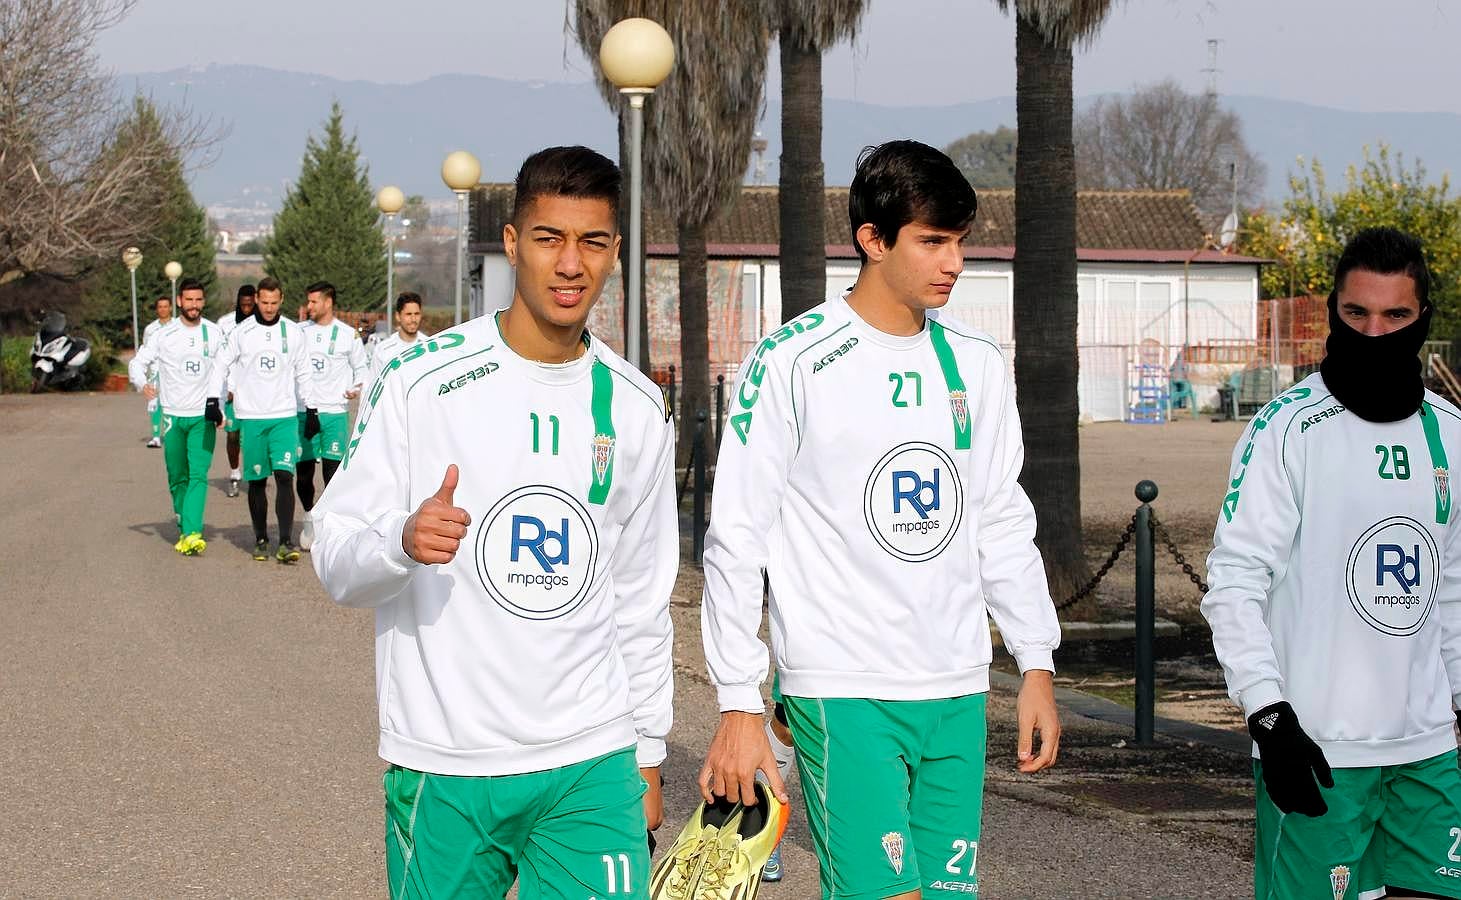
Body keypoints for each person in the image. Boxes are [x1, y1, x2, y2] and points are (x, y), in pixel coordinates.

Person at [697, 140, 1062, 900]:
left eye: (959, 241)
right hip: (841, 685)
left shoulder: (978, 362)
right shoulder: (794, 360)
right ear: (872, 240)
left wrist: (1034, 662)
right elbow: (736, 537)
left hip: (957, 687)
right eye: (932, 241)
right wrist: (739, 697)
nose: (953, 262)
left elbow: (1000, 515)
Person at [312, 146, 676, 900]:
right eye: (548, 239)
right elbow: (335, 555)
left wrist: (646, 752)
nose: (570, 264)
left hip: (591, 759)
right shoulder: (419, 383)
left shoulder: (637, 408)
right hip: (448, 762)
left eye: (592, 242)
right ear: (512, 244)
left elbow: (640, 599)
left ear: (614, 253)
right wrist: (401, 541)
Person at [1203, 226, 1461, 900]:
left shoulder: (1450, 433)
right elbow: (1232, 585)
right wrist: (1267, 715)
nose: (1374, 332)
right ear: (1331, 314)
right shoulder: (1285, 429)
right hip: (1317, 753)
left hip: (1428, 756)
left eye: (1395, 316)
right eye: (1356, 314)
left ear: (1422, 317)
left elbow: (1452, 589)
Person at [210, 276, 309, 563]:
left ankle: (286, 541)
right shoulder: (242, 332)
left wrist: (311, 409)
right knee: (256, 480)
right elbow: (220, 365)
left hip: (284, 417)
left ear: (281, 300)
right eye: (263, 302)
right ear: (256, 301)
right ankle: (261, 538)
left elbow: (304, 373)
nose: (268, 307)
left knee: (284, 476)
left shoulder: (292, 332)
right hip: (251, 417)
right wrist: (212, 401)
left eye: (273, 302)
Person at [128, 280, 223, 555]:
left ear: (203, 302)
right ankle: (184, 518)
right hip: (172, 416)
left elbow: (224, 369)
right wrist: (140, 383)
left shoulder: (214, 333)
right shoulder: (164, 334)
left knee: (198, 474)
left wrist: (222, 403)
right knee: (177, 475)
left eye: (199, 300)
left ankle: (192, 532)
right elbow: (138, 362)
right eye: (189, 300)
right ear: (179, 301)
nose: (194, 305)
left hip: (202, 416)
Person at [295, 281, 367, 551]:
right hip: (304, 411)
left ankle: (328, 522)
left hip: (335, 412)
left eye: (314, 302)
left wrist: (355, 387)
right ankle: (309, 515)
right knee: (303, 474)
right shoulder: (298, 332)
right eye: (308, 302)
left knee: (332, 472)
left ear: (328, 302)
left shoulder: (348, 335)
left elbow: (361, 367)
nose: (309, 307)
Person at [215, 284, 257, 497]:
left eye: (251, 304)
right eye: (244, 305)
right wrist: (226, 387)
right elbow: (220, 357)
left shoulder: (263, 323)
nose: (247, 308)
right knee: (232, 435)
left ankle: (254, 474)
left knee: (252, 437)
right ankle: (234, 473)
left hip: (255, 391)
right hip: (231, 390)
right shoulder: (224, 323)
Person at [367, 291, 430, 383]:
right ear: (398, 316)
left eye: (416, 314)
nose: (413, 319)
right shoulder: (383, 350)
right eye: (408, 314)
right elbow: (371, 384)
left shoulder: (429, 347)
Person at [142, 295, 173, 448]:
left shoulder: (177, 325)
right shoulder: (150, 329)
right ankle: (155, 436)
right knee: (154, 403)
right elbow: (145, 350)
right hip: (155, 370)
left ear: (171, 308)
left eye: (166, 306)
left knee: (172, 402)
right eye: (160, 307)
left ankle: (171, 435)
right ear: (157, 309)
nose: (163, 309)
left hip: (173, 371)